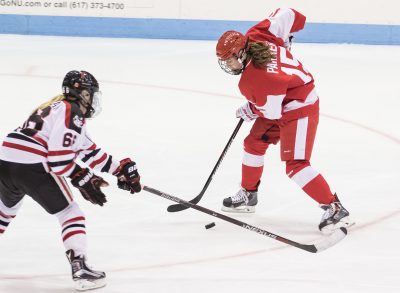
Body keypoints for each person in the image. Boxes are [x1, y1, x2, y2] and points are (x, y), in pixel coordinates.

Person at [0, 70, 141, 291]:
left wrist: (118, 170)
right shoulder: (72, 112)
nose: (93, 99)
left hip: (6, 160)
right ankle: (81, 270)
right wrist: (82, 177)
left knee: (4, 213)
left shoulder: (56, 108)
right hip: (32, 164)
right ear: (83, 94)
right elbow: (58, 160)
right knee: (70, 213)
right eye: (92, 94)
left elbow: (87, 150)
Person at [216, 8, 353, 234]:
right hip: (284, 100)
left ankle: (335, 208)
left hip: (300, 107)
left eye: (230, 60)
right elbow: (286, 13)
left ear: (241, 53)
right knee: (253, 144)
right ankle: (249, 195)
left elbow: (270, 113)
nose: (228, 66)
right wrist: (287, 37)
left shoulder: (253, 80)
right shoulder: (256, 36)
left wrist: (251, 108)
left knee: (296, 165)